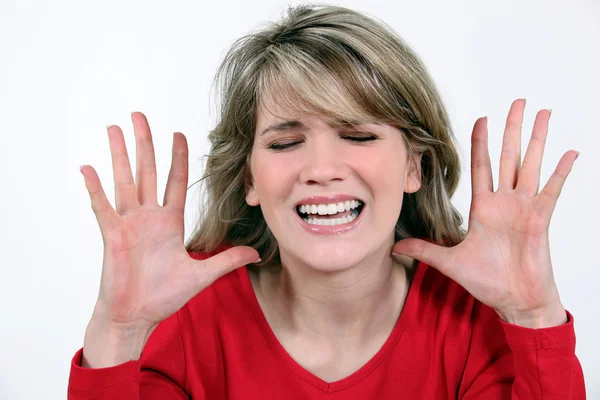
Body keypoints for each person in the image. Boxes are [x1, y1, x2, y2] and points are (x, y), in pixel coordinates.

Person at [67, 4, 586, 399]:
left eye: (357, 135)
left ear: (414, 166)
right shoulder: (184, 318)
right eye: (285, 142)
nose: (320, 169)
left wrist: (534, 318)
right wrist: (118, 333)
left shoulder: (473, 322)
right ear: (248, 177)